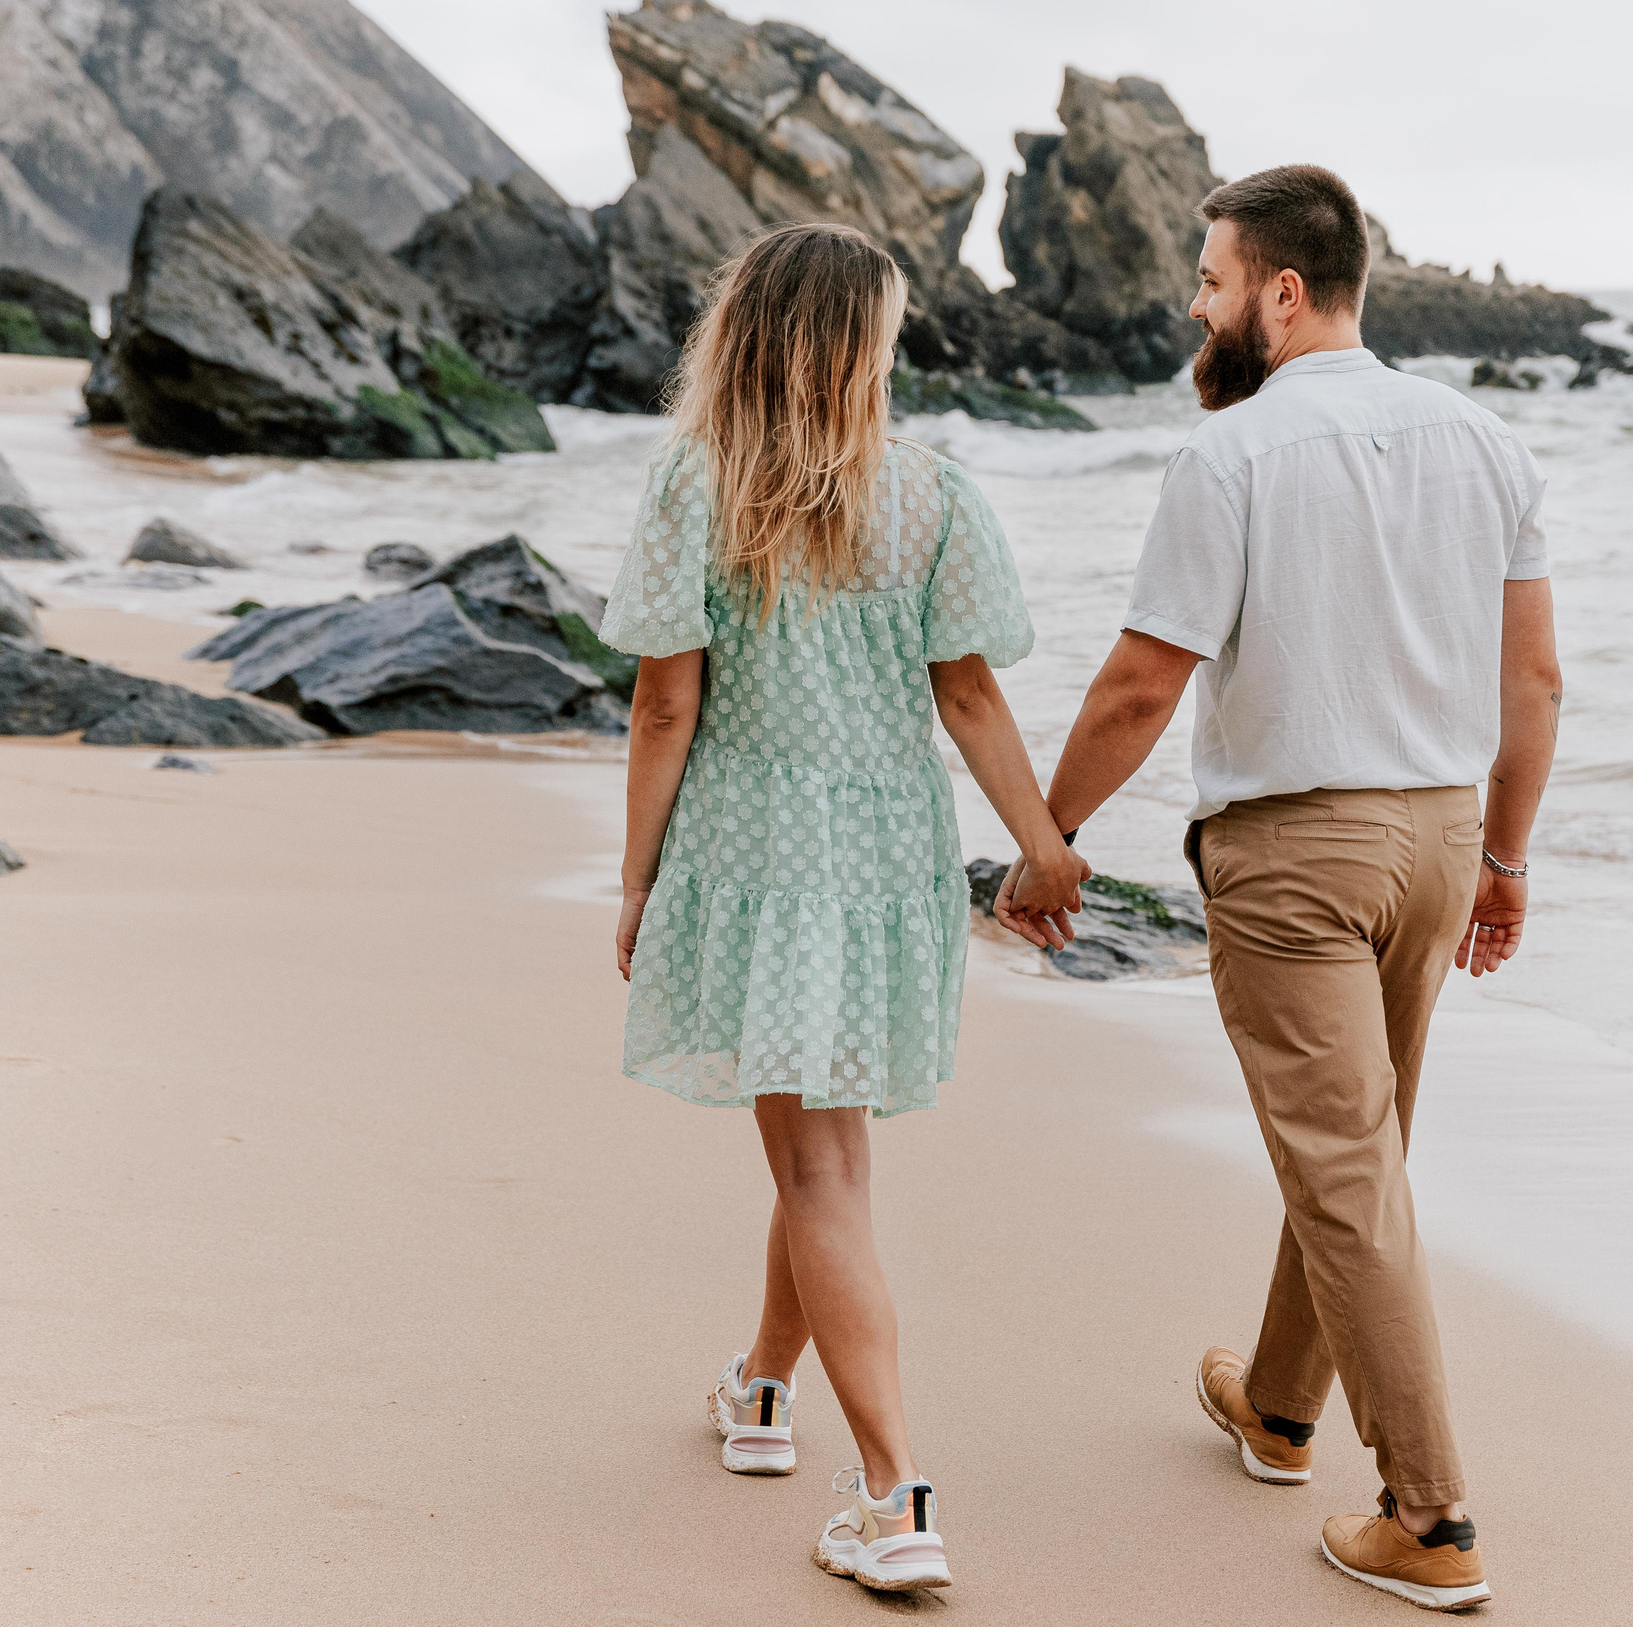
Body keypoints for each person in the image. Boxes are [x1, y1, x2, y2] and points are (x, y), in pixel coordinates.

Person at [1001, 165, 1562, 1611]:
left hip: (1297, 856)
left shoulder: (1232, 455)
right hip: (1437, 843)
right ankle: (1276, 1405)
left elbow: (1140, 683)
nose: (1199, 303)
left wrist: (1046, 837)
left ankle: (1431, 1521)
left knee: (1347, 1171)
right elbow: (1536, 682)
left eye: (1212, 279)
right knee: (1357, 1151)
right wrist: (1503, 860)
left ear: (1284, 293)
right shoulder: (1489, 443)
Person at [600, 221, 1087, 1594]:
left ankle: (892, 1495)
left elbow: (664, 702)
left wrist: (637, 874)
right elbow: (972, 696)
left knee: (819, 1164)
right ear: (862, 348)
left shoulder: (697, 484)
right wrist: (1040, 847)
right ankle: (762, 1389)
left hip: (758, 851)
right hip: (884, 862)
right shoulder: (931, 493)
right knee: (818, 1141)